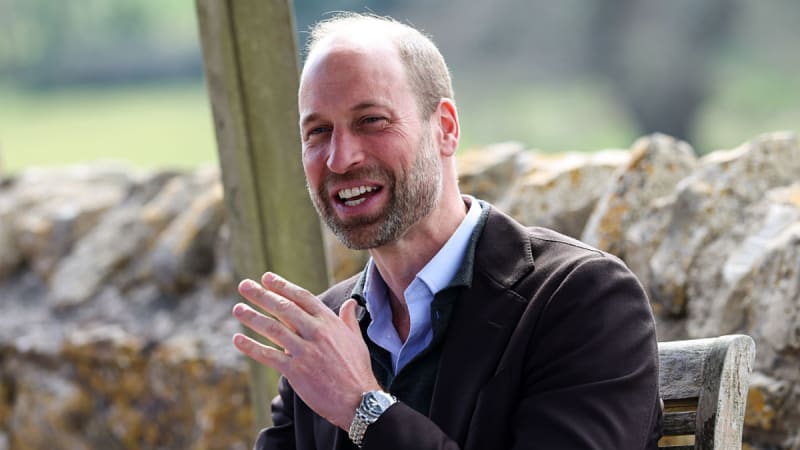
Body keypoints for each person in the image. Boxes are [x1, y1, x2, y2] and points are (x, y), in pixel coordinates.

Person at [231, 12, 662, 450]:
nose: (340, 159)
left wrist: (364, 408)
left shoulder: (582, 298)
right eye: (318, 131)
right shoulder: (324, 332)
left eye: (372, 120)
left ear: (446, 129)